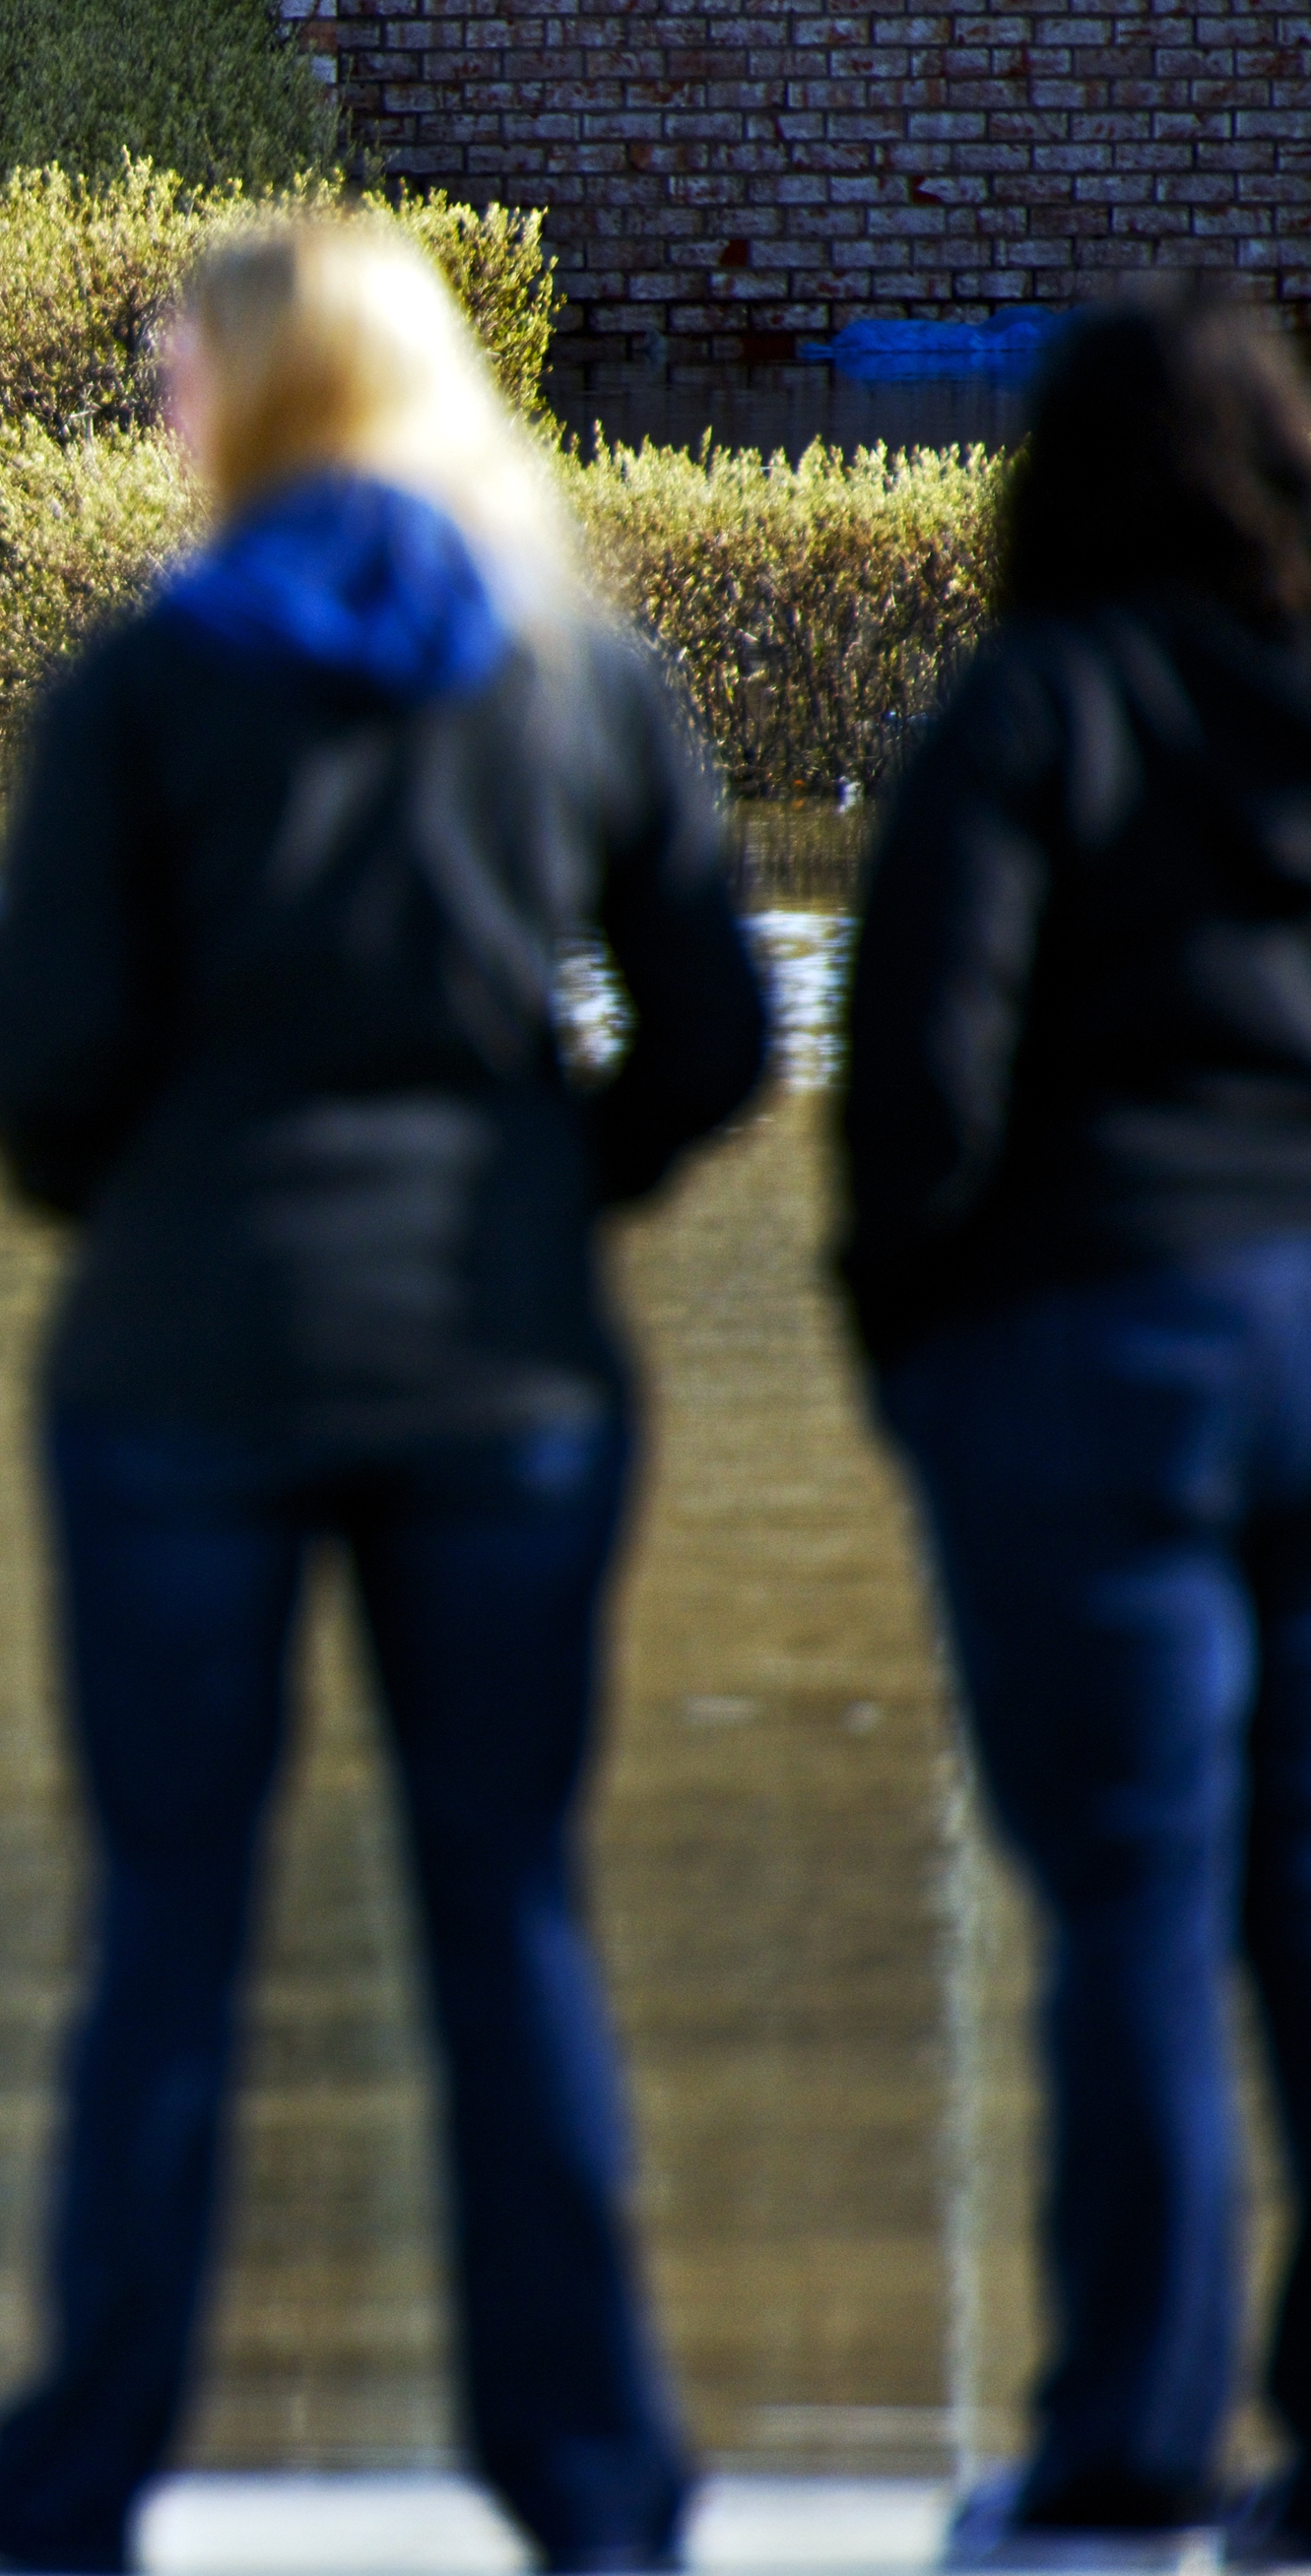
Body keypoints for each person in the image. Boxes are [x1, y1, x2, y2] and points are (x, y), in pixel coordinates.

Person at [0, 214, 769, 2576]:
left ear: (265, 403)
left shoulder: (145, 682)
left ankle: (74, 2490)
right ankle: (598, 2493)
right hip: (503, 1368)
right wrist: (544, 1179)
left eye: (180, 374)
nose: (164, 413)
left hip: (182, 1369)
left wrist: (163, 1194)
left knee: (169, 1940)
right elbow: (716, 1037)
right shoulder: (573, 667)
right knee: (507, 1917)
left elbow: (33, 1073)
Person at [838, 284, 1311, 2574]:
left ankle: (1130, 2435)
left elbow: (920, 1078)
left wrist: (919, 1351)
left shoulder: (1026, 714)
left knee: (1132, 1896)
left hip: (1097, 1341)